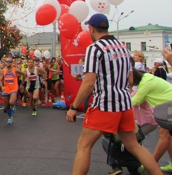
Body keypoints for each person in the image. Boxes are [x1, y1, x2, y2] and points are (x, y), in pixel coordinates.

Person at [66, 13, 161, 175]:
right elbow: (130, 80)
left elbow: (89, 82)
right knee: (134, 146)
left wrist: (74, 107)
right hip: (124, 104)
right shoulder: (123, 47)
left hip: (104, 104)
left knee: (84, 145)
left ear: (91, 29)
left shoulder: (94, 49)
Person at [131, 69, 172, 173]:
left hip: (171, 105)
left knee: (163, 135)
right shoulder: (146, 80)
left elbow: (135, 101)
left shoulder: (146, 83)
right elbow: (140, 100)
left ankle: (150, 164)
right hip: (169, 105)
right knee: (167, 136)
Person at [2, 56, 25, 125]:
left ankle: (14, 105)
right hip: (6, 89)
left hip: (14, 88)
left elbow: (24, 74)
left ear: (12, 63)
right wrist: (1, 86)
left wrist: (22, 83)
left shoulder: (15, 70)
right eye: (7, 61)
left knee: (11, 102)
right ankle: (10, 117)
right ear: (5, 63)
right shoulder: (3, 70)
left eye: (10, 61)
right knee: (7, 105)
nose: (8, 63)